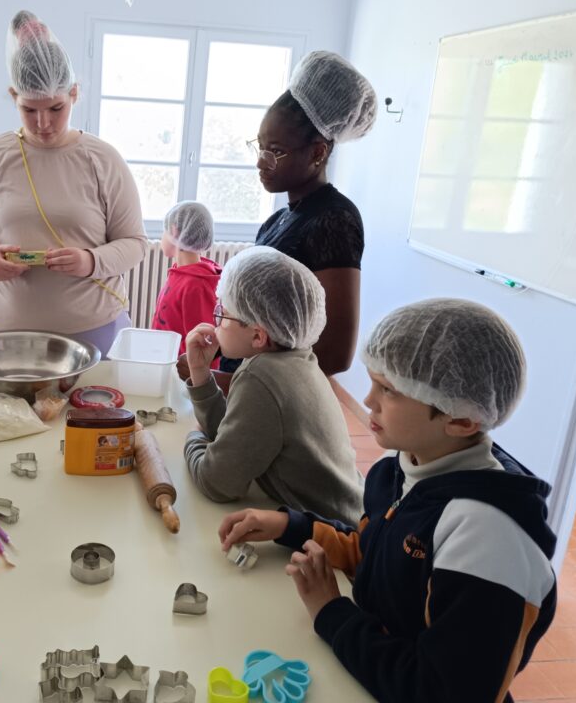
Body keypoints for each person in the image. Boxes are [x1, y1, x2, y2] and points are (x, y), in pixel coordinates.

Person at [217, 299, 556, 703]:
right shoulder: (404, 464)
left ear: (461, 420)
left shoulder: (488, 540)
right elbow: (376, 554)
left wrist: (332, 612)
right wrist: (293, 526)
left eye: (390, 391)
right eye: (374, 381)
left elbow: (441, 692)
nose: (368, 400)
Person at [0, 10, 147, 352]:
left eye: (55, 108)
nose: (42, 123)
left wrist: (90, 261)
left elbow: (134, 243)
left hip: (91, 334)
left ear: (73, 94)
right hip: (1, 336)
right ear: (14, 97)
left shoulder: (103, 160)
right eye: (29, 109)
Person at [214, 51, 376, 383]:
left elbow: (334, 353)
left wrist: (237, 385)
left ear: (318, 153)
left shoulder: (335, 220)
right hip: (245, 391)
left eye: (275, 151)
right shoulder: (279, 221)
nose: (261, 161)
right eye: (260, 146)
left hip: (274, 404)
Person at [182, 246, 362, 521]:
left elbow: (217, 482)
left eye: (222, 313)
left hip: (328, 537)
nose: (214, 321)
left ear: (258, 336)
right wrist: (200, 372)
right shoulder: (295, 358)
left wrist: (192, 437)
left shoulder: (261, 377)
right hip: (343, 515)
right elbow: (237, 434)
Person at [151, 200, 222, 361]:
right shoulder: (180, 272)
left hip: (182, 374)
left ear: (174, 231)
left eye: (164, 231)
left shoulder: (196, 284)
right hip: (166, 361)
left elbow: (202, 343)